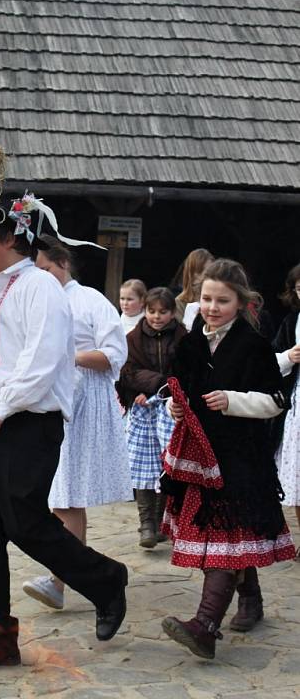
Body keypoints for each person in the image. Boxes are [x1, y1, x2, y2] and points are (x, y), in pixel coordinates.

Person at [0, 199, 128, 674]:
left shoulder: (41, 287)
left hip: (27, 424)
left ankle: (107, 580)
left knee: (24, 522)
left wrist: (1, 409)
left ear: (10, 239)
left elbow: (43, 362)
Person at [161, 259, 296, 660]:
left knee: (222, 539)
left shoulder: (253, 345)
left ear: (241, 303)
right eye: (206, 299)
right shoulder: (190, 344)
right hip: (198, 458)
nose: (212, 307)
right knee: (224, 539)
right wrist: (176, 408)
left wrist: (233, 401)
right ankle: (250, 600)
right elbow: (179, 390)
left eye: (222, 300)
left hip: (240, 460)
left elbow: (276, 401)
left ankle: (204, 626)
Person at [22, 239, 133, 610]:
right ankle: (68, 575)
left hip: (82, 405)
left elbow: (114, 354)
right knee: (59, 494)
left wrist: (66, 356)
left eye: (46, 269)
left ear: (63, 263)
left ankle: (61, 579)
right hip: (50, 402)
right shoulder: (37, 301)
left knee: (65, 494)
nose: (41, 277)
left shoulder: (90, 301)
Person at [118, 287, 186, 548]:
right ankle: (146, 523)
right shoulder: (133, 338)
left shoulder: (184, 338)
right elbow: (127, 371)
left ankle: (161, 522)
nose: (157, 316)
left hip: (173, 406)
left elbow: (186, 369)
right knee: (142, 465)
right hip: (143, 407)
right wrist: (146, 388)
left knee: (169, 463)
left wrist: (165, 389)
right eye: (152, 311)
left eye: (163, 311)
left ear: (172, 312)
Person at [273, 263, 300, 560]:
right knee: (298, 474)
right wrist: (289, 357)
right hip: (298, 404)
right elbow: (269, 364)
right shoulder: (292, 322)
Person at [174, 248, 214, 329]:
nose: (209, 276)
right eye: (205, 272)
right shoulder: (180, 302)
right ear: (192, 274)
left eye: (212, 271)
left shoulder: (216, 298)